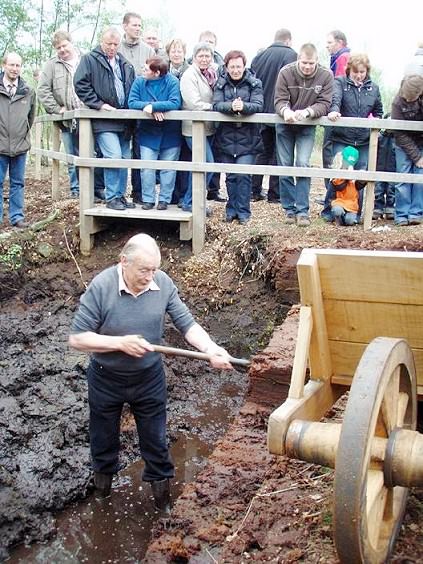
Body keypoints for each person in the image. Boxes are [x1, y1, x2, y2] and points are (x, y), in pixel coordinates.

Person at [68, 233, 232, 512]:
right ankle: (102, 497)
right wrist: (119, 343)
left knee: (156, 441)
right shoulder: (102, 286)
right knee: (103, 440)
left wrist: (211, 349)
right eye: (144, 270)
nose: (150, 276)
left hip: (148, 379)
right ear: (123, 262)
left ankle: (163, 505)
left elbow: (187, 324)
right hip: (106, 378)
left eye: (154, 269)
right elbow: (77, 339)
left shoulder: (163, 283)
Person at [74, 28, 136, 211]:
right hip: (104, 119)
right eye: (109, 43)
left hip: (124, 120)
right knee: (113, 156)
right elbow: (80, 84)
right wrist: (99, 104)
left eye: (116, 44)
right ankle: (111, 197)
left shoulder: (124, 63)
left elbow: (131, 86)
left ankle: (120, 195)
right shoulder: (89, 60)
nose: (112, 47)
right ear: (102, 42)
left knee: (124, 158)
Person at [274, 43, 333, 227]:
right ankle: (289, 209)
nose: (307, 67)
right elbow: (279, 99)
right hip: (285, 124)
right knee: (284, 165)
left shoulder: (325, 75)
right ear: (298, 59)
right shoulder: (285, 72)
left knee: (303, 164)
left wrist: (308, 112)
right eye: (304, 63)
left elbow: (325, 103)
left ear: (317, 61)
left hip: (307, 125)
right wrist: (286, 111)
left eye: (311, 63)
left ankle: (302, 210)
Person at [321, 53, 383, 221]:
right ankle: (329, 210)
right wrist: (334, 110)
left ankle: (355, 212)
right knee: (339, 172)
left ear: (366, 71)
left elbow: (378, 111)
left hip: (363, 139)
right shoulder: (340, 83)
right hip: (343, 137)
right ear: (349, 70)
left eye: (362, 72)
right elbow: (336, 100)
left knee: (360, 176)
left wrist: (376, 120)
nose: (359, 75)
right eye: (355, 71)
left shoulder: (373, 88)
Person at [213, 50, 264, 224]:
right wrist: (230, 106)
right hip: (226, 135)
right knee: (230, 176)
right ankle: (231, 209)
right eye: (232, 67)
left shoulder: (254, 83)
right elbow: (217, 104)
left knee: (243, 175)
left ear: (244, 66)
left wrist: (243, 107)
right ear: (226, 67)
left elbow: (258, 105)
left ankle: (244, 211)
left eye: (238, 66)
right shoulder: (221, 84)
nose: (235, 70)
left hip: (248, 136)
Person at [128, 56, 182, 210]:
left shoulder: (172, 81)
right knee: (147, 168)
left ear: (157, 72)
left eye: (147, 69)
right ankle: (148, 199)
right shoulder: (139, 82)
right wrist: (150, 107)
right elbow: (131, 102)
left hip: (170, 132)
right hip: (148, 132)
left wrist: (155, 107)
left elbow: (175, 102)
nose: (143, 70)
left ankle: (165, 199)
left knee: (168, 168)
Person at [250, 29, 297, 202]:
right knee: (279, 152)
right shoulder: (292, 56)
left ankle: (253, 190)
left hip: (261, 111)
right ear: (289, 40)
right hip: (281, 110)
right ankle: (274, 194)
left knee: (261, 152)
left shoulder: (259, 57)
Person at [38, 31, 82, 199]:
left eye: (64, 45)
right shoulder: (51, 65)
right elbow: (42, 90)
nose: (62, 50)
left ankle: (91, 189)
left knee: (90, 154)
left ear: (71, 43)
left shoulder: (84, 60)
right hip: (67, 120)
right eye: (58, 47)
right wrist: (56, 109)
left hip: (87, 116)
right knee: (71, 155)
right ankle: (75, 189)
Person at [119, 12, 155, 205]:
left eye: (140, 25)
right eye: (134, 25)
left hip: (142, 108)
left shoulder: (148, 50)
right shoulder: (116, 47)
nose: (138, 29)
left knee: (141, 150)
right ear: (125, 26)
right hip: (121, 108)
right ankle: (117, 193)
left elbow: (154, 78)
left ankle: (139, 192)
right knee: (120, 151)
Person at [180, 42, 218, 212]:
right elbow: (193, 103)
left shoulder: (210, 74)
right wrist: (214, 106)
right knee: (207, 164)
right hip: (192, 128)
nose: (204, 59)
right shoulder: (189, 75)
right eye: (201, 56)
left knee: (199, 165)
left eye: (207, 56)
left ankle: (192, 201)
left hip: (208, 128)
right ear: (194, 57)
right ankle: (190, 202)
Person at [0, 52, 36, 229]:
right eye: (11, 65)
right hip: (0, 146)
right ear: (4, 65)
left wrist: (22, 136)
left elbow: (31, 117)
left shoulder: (28, 91)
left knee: (18, 182)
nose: (15, 69)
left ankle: (17, 217)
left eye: (18, 66)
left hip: (20, 146)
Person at [390, 74, 423, 226]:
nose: (407, 99)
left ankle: (416, 213)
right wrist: (416, 157)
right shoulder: (397, 102)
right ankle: (401, 214)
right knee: (402, 176)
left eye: (412, 98)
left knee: (420, 177)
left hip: (421, 140)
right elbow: (399, 132)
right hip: (403, 142)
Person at [166, 38, 191, 206]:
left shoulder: (190, 71)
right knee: (170, 158)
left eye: (179, 51)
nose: (176, 54)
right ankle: (171, 195)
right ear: (168, 54)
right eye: (173, 51)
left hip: (188, 121)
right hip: (169, 123)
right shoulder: (162, 71)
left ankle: (183, 195)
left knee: (186, 158)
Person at [329, 146, 366, 226]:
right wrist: (346, 176)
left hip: (352, 205)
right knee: (337, 211)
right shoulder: (336, 174)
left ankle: (347, 220)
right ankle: (339, 220)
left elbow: (359, 186)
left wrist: (362, 179)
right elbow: (339, 186)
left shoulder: (355, 172)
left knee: (350, 221)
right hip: (339, 202)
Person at [373, 114, 396, 220]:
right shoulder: (379, 137)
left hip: (393, 169)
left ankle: (390, 209)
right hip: (379, 167)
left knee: (391, 190)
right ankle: (378, 209)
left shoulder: (398, 139)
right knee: (378, 190)